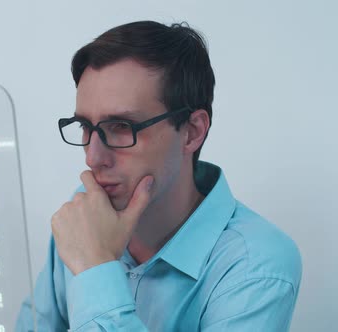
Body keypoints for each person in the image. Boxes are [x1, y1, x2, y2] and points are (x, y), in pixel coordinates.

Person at [15, 20, 302, 331]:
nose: (92, 157)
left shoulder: (256, 264)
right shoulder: (85, 215)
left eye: (122, 127)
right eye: (86, 127)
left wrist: (97, 268)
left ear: (192, 132)